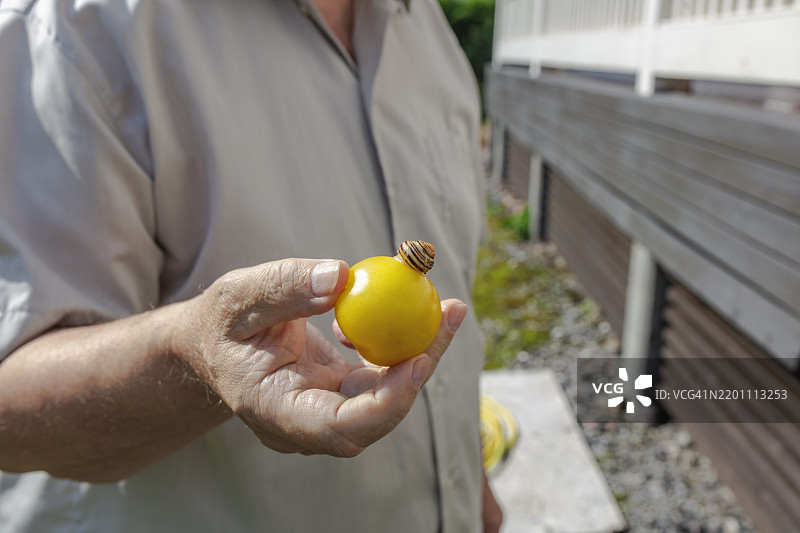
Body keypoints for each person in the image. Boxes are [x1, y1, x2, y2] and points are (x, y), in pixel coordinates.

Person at [0, 0, 503, 531]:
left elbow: (445, 342)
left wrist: (471, 487)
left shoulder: (423, 23)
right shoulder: (69, 29)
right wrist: (194, 357)